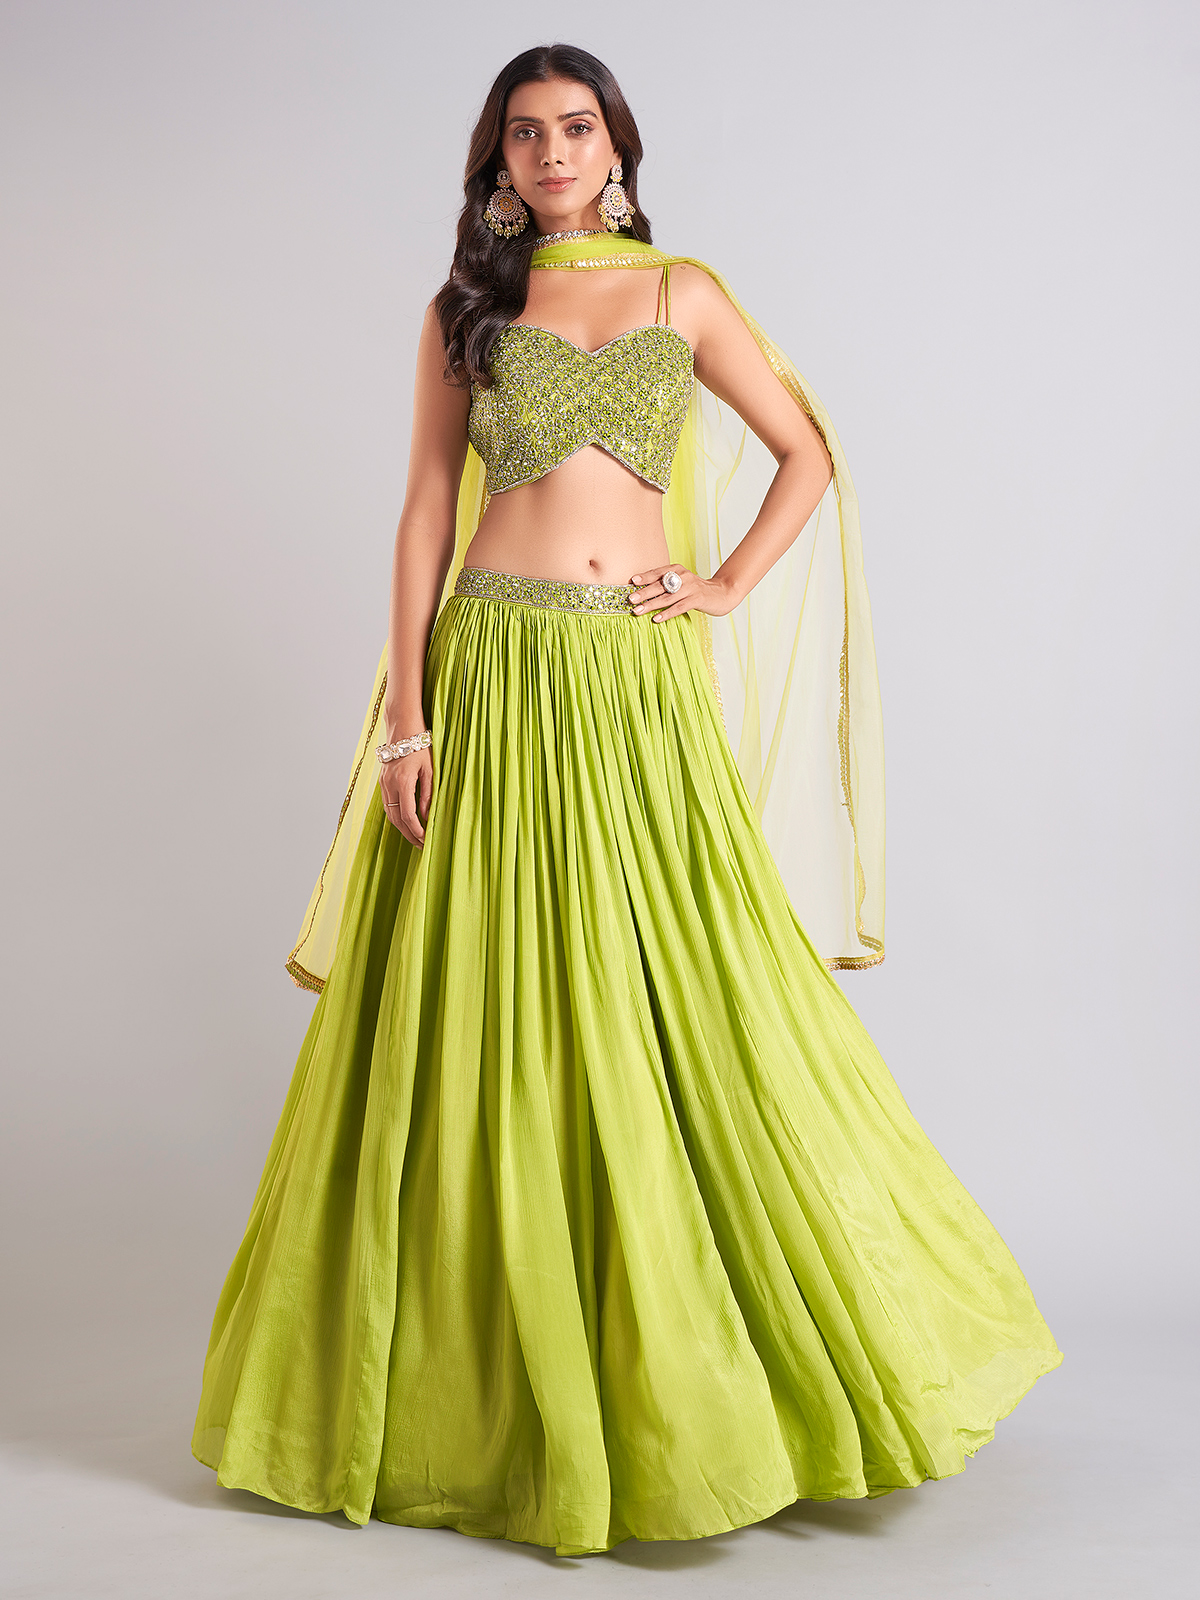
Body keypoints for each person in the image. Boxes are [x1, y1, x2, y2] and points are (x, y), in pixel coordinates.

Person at [191, 43, 1062, 1558]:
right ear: (497, 162)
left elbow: (805, 454)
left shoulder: (683, 293)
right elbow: (424, 511)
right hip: (496, 669)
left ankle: (704, 1360)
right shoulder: (467, 311)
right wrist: (406, 720)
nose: (550, 152)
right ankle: (479, 1393)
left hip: (635, 676)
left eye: (575, 127)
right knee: (486, 994)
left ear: (617, 147)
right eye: (523, 134)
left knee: (679, 981)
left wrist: (724, 584)